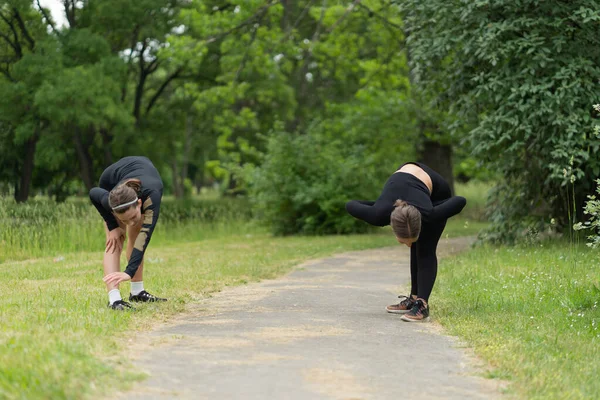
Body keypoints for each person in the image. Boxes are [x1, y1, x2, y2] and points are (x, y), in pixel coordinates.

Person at [345, 162, 466, 322]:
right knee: (417, 244)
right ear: (391, 226)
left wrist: (436, 209)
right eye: (404, 242)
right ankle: (413, 299)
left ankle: (422, 305)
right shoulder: (378, 215)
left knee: (425, 247)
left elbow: (460, 200)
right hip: (403, 188)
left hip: (436, 194)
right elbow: (350, 204)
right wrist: (378, 206)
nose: (409, 245)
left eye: (410, 240)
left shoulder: (429, 214)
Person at [89, 156, 167, 310]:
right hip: (111, 180)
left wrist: (129, 272)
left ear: (139, 203)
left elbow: (144, 238)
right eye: (124, 220)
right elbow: (93, 193)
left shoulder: (153, 196)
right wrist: (113, 227)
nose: (130, 223)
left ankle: (137, 292)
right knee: (116, 240)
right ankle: (114, 299)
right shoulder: (110, 199)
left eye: (132, 217)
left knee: (137, 234)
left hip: (142, 175)